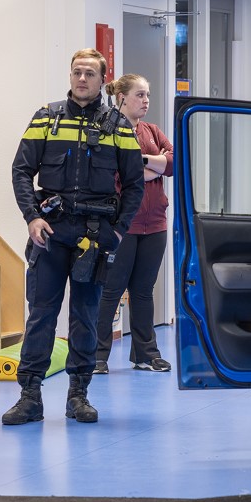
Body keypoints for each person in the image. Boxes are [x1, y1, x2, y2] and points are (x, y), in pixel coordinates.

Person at [3, 49, 145, 425]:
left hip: (94, 239)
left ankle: (78, 396)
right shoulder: (45, 118)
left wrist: (118, 231)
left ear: (102, 80)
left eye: (90, 74)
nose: (82, 79)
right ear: (70, 76)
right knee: (41, 316)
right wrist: (31, 218)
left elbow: (134, 186)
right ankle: (29, 397)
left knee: (84, 317)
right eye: (77, 72)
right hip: (49, 236)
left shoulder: (119, 126)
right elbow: (21, 171)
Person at [93, 75, 173, 375]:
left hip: (155, 225)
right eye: (140, 94)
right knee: (110, 291)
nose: (146, 100)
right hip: (122, 225)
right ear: (122, 98)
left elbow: (174, 161)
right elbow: (113, 175)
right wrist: (154, 165)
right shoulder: (108, 130)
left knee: (143, 291)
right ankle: (98, 355)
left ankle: (146, 354)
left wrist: (139, 163)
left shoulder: (151, 130)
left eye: (148, 94)